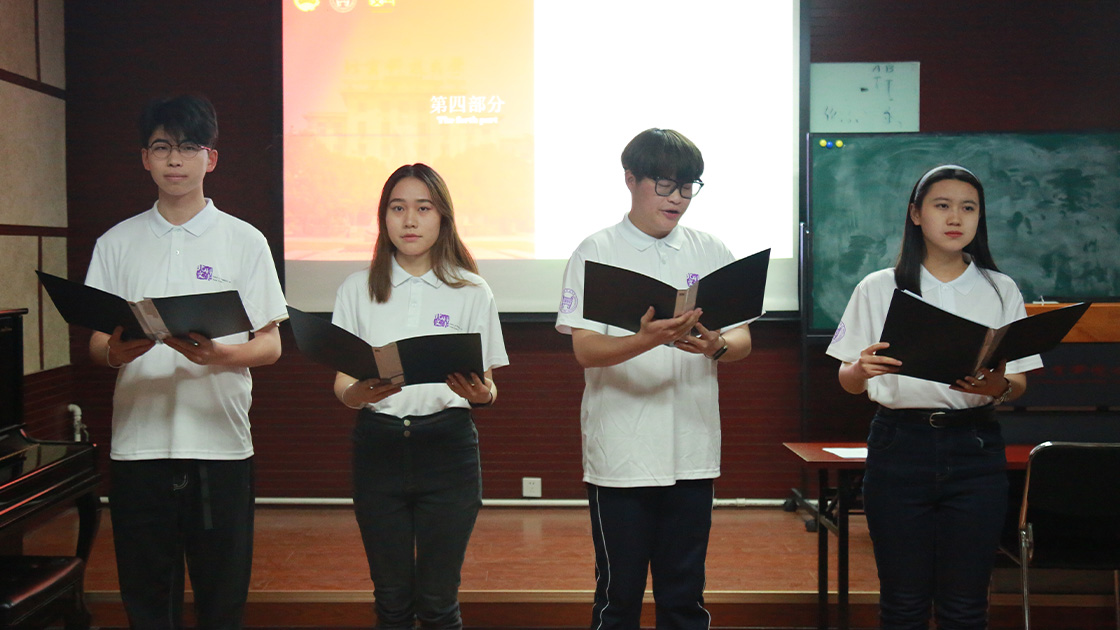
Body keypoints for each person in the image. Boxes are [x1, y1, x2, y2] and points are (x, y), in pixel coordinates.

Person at [86, 94, 287, 629]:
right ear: (144, 158)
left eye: (189, 147)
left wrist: (221, 355)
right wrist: (114, 352)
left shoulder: (245, 240)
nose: (174, 159)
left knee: (222, 597)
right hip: (139, 445)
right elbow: (97, 342)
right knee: (148, 600)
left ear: (210, 158)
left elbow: (270, 344)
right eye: (161, 147)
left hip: (220, 443)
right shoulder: (116, 242)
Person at [826, 165, 1041, 630]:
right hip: (899, 445)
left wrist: (997, 387)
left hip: (975, 446)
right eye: (942, 206)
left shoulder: (999, 288)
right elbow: (847, 378)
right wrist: (860, 369)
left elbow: (1018, 380)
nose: (955, 218)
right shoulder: (878, 286)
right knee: (903, 602)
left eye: (969, 208)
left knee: (966, 603)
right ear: (916, 214)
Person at [555, 128, 754, 629]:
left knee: (684, 598)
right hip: (622, 452)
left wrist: (717, 346)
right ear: (631, 180)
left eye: (688, 187)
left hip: (692, 447)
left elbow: (742, 340)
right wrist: (644, 340)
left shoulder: (710, 249)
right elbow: (584, 350)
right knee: (617, 598)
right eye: (665, 185)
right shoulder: (595, 250)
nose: (677, 199)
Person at [331, 163, 508, 629]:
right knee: (391, 600)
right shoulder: (357, 289)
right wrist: (358, 393)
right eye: (398, 208)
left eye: (423, 208)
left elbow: (488, 384)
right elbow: (342, 383)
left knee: (438, 601)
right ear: (383, 217)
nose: (409, 220)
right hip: (378, 447)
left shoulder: (471, 289)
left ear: (442, 217)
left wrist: (481, 395)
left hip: (448, 449)